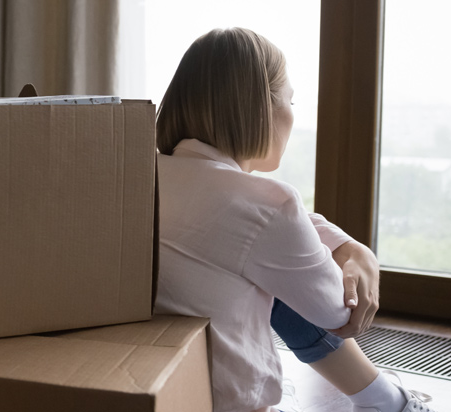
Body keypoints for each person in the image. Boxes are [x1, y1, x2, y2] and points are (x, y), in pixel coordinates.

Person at [152, 27, 436, 412]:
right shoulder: (268, 205)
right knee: (292, 283)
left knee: (269, 264)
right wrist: (356, 254)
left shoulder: (141, 177)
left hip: (158, 388)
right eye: (290, 100)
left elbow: (266, 222)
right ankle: (387, 404)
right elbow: (338, 312)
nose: (292, 115)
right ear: (258, 107)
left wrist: (348, 247)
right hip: (229, 402)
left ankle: (385, 401)